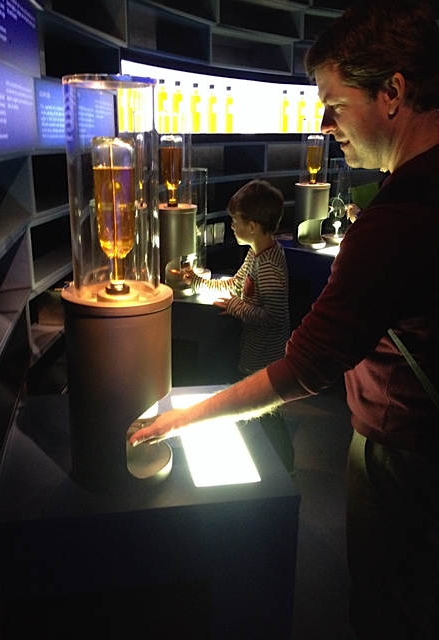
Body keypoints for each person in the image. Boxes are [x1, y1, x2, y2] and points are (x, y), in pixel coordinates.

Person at [131, 0, 439, 636]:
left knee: (389, 607)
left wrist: (180, 419)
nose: (325, 125)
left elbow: (303, 368)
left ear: (392, 93)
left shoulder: (396, 223)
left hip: (404, 451)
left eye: (334, 104)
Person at [185, 179, 294, 472]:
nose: (232, 226)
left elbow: (273, 317)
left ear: (253, 226)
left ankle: (284, 466)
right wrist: (197, 282)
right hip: (257, 353)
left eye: (235, 221)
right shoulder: (258, 254)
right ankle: (275, 462)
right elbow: (236, 285)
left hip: (264, 357)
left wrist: (234, 307)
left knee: (266, 413)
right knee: (261, 411)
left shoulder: (268, 267)